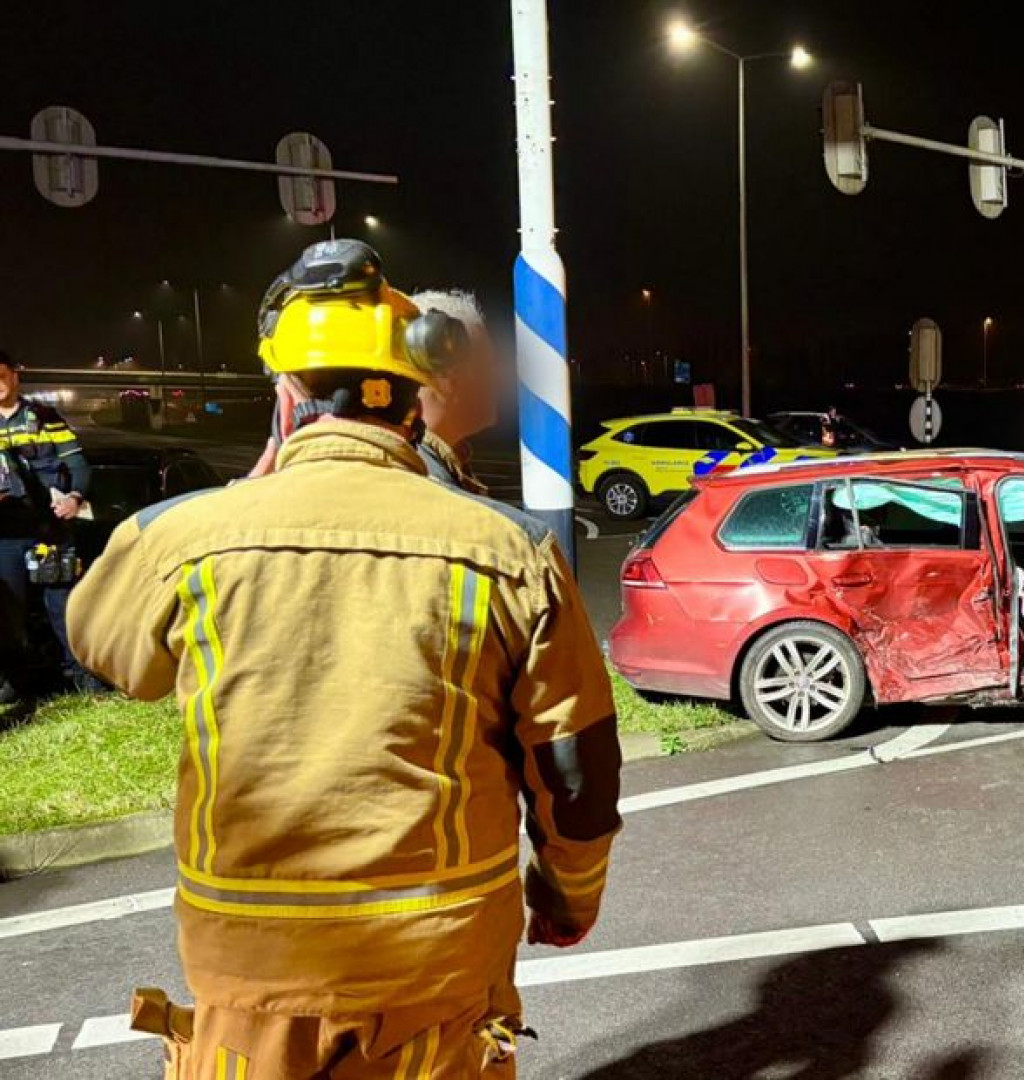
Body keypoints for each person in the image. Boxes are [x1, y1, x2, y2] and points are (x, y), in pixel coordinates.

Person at [68, 240, 621, 1078]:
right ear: (413, 395)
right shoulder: (512, 550)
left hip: (251, 966)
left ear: (285, 393)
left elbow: (110, 652)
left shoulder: (179, 539)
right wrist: (566, 898)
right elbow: (576, 769)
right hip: (437, 963)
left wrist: (243, 489)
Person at [0, 350, 99, 699]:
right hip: (6, 532)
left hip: (49, 528)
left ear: (15, 375)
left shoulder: (44, 417)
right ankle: (15, 681)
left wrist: (74, 497)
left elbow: (79, 465)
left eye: (1, 376)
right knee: (8, 612)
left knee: (64, 605)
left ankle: (83, 674)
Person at [412, 289, 499, 495]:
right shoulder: (419, 479)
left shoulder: (446, 461)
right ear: (448, 374)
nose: (499, 379)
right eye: (487, 366)